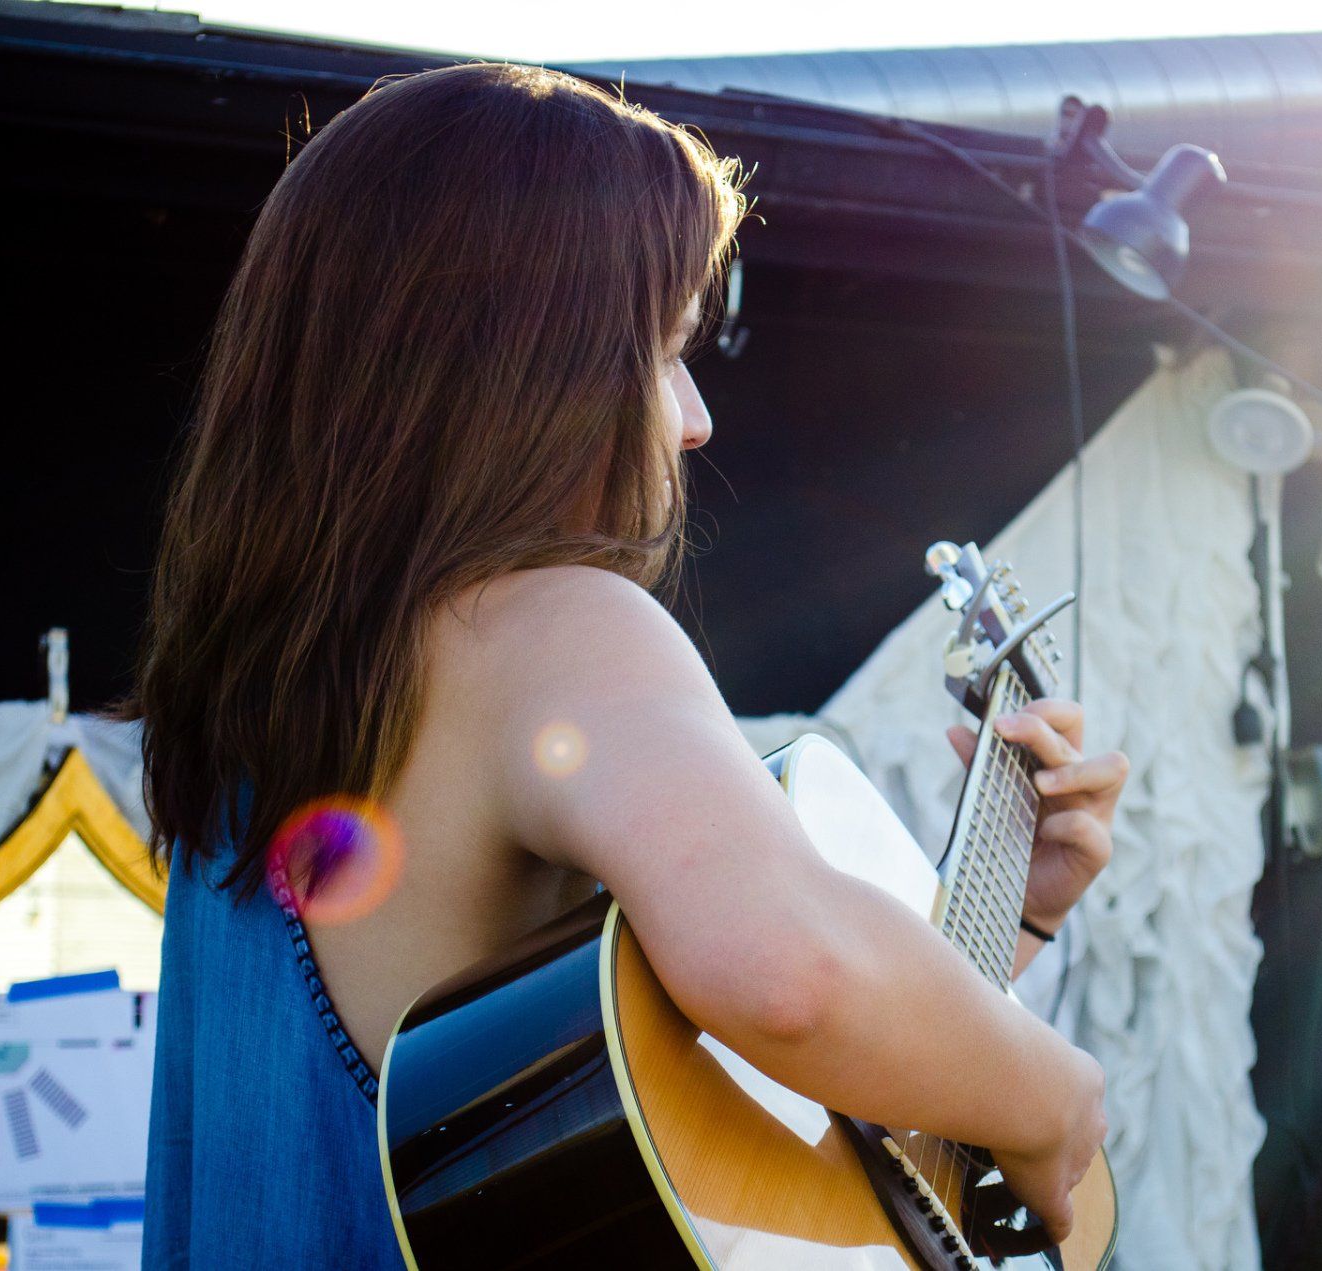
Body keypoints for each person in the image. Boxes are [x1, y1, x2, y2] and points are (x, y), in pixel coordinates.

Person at [124, 63, 1129, 1269]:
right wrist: (1053, 1090)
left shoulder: (239, 706)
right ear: (528, 372)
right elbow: (793, 977)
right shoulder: (550, 624)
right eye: (662, 353)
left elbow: (651, 1114)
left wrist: (1012, 912)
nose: (695, 416)